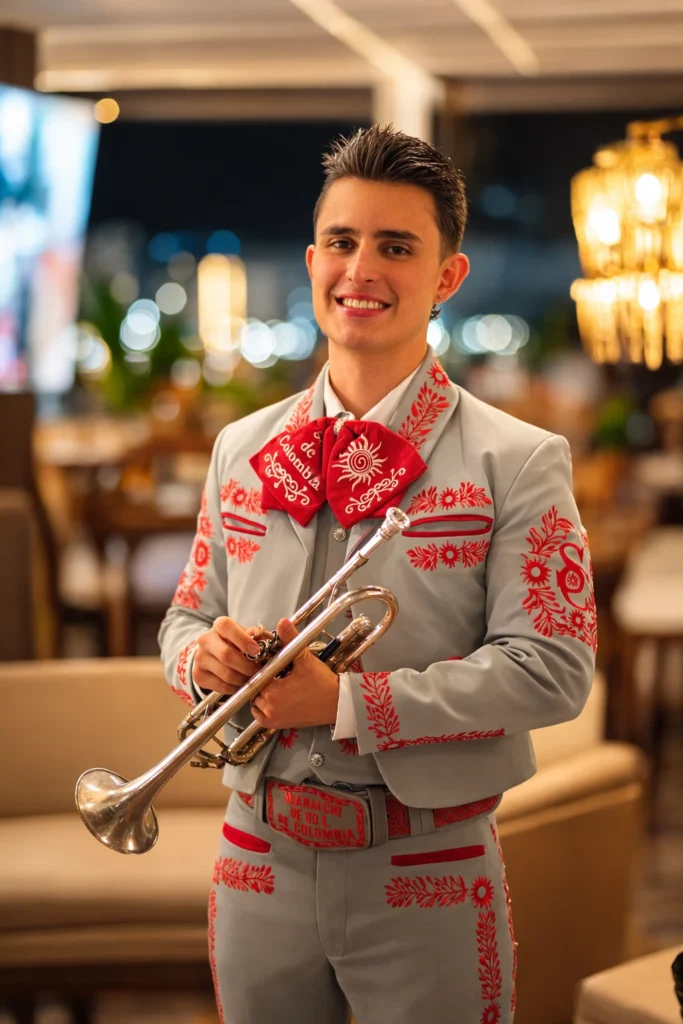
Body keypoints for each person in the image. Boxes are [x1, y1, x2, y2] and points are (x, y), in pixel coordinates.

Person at [159, 124, 596, 1024]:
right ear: (313, 259)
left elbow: (554, 670)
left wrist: (347, 704)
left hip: (426, 864)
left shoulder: (518, 459)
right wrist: (203, 657)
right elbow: (183, 617)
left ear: (447, 277)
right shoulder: (239, 447)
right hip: (254, 856)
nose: (361, 269)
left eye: (396, 247)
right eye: (342, 242)